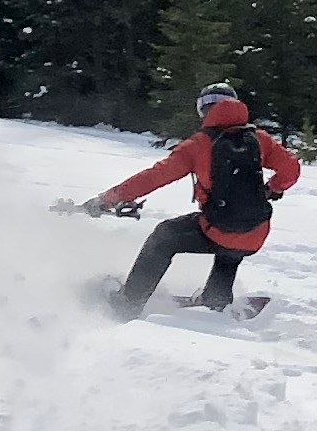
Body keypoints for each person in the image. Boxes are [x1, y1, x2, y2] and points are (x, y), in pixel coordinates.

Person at [85, 85, 302, 315]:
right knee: (232, 242)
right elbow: (291, 168)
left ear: (204, 111)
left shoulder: (198, 145)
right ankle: (216, 298)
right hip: (256, 230)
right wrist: (273, 188)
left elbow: (153, 177)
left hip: (218, 227)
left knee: (164, 236)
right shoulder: (259, 139)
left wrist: (107, 200)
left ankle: (129, 302)